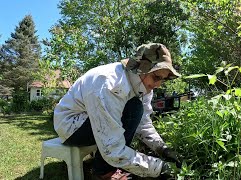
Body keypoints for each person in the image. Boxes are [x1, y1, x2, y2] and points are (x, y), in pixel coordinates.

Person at [53, 43, 182, 179]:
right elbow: (113, 149)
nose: (158, 85)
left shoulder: (143, 85)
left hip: (88, 120)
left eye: (163, 79)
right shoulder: (110, 84)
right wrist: (159, 168)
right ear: (141, 69)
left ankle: (103, 166)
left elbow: (143, 123)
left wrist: (162, 148)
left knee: (135, 108)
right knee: (134, 108)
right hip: (70, 127)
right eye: (156, 77)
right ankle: (104, 172)